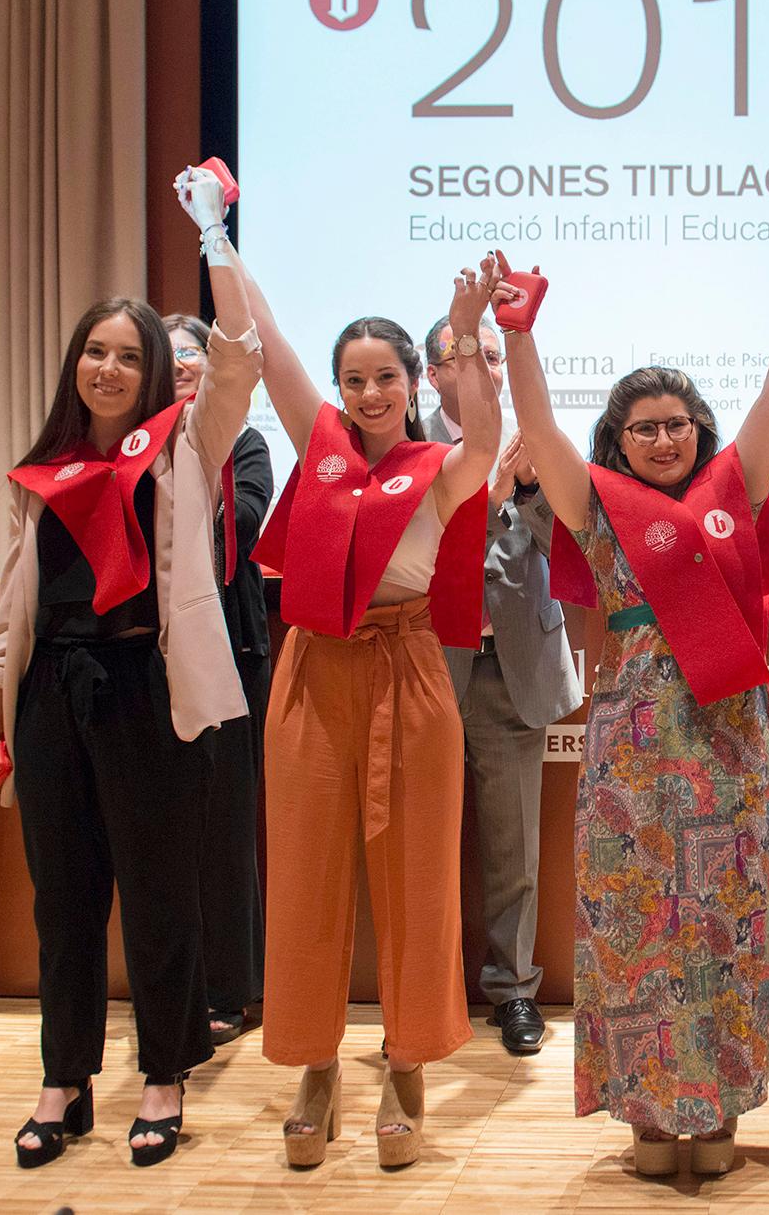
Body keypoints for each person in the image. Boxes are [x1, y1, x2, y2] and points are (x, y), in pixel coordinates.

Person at [505, 251, 769, 1178]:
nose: (661, 439)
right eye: (642, 427)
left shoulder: (735, 489)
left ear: (699, 429)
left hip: (730, 734)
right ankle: (649, 1115)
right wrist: (519, 332)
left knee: (728, 917)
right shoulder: (594, 504)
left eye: (676, 425)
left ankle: (722, 1099)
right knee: (637, 921)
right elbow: (534, 424)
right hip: (634, 749)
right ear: (616, 437)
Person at [0, 164, 261, 1168]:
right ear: (73, 364)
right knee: (65, 898)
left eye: (126, 354)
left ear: (150, 372)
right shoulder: (44, 467)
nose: (105, 367)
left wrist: (215, 235)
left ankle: (165, 1075)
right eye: (93, 351)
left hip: (148, 693)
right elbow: (16, 606)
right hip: (54, 699)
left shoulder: (182, 444)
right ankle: (64, 1080)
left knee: (162, 891)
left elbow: (240, 357)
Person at [243, 244, 501, 1169]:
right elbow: (267, 341)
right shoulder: (320, 452)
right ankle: (316, 1064)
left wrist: (465, 334)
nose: (367, 392)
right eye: (353, 379)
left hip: (411, 668)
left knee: (418, 876)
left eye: (385, 376)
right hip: (314, 669)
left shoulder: (443, 466)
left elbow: (487, 437)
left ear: (409, 380)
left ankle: (405, 1061)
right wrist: (218, 241)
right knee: (307, 872)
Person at [422, 315, 583, 1054]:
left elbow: (579, 554)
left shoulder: (536, 443)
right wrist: (485, 494)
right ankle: (423, 992)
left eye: (495, 355)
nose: (487, 369)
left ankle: (513, 990)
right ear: (435, 375)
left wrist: (526, 490)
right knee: (420, 840)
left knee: (513, 844)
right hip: (426, 666)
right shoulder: (410, 444)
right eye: (470, 357)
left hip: (513, 663)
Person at [165, 313, 272, 1046]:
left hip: (232, 648)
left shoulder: (246, 444)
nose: (179, 368)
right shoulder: (129, 452)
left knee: (226, 826)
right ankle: (173, 984)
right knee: (161, 831)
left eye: (190, 355)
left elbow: (246, 518)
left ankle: (231, 986)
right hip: (144, 658)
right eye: (163, 357)